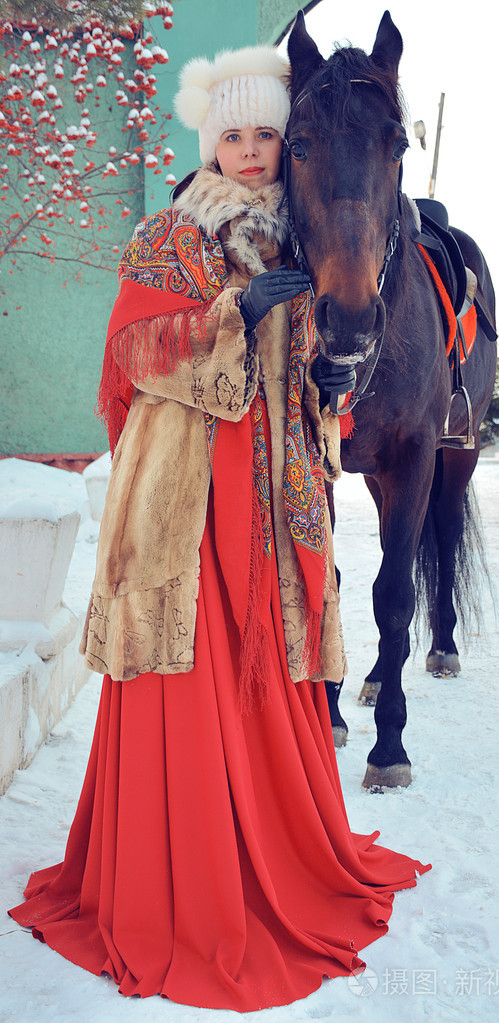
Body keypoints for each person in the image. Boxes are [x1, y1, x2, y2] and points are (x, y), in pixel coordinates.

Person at [9, 45, 429, 1011]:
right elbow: (131, 356)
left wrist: (326, 384)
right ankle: (181, 885)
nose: (247, 151)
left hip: (271, 512)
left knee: (273, 681)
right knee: (190, 681)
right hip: (187, 508)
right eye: (231, 135)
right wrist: (229, 315)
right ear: (210, 143)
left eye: (264, 136)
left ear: (288, 148)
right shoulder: (173, 231)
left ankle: (280, 854)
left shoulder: (304, 239)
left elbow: (311, 383)